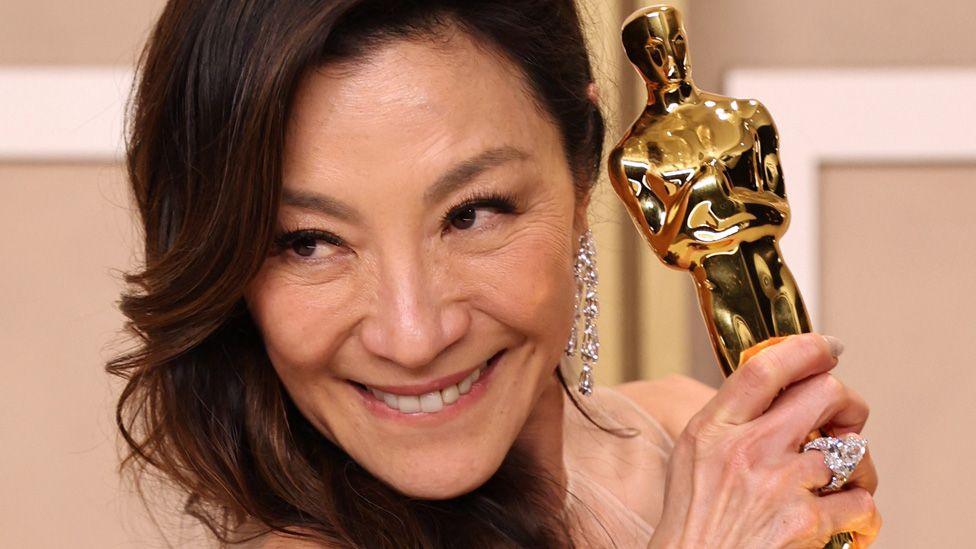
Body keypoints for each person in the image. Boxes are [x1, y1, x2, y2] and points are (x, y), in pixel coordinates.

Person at [107, 0, 880, 547]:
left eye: (471, 213)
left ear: (582, 174)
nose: (411, 335)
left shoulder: (686, 437)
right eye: (309, 241)